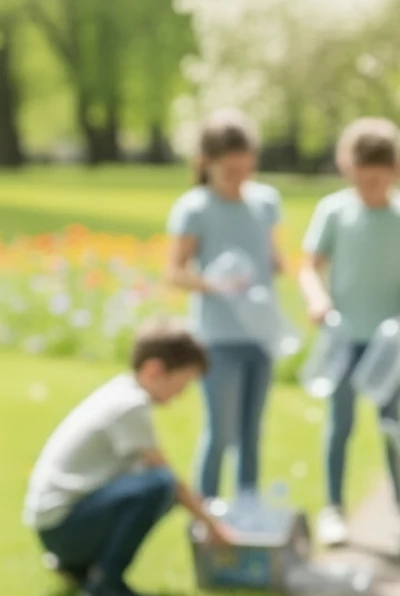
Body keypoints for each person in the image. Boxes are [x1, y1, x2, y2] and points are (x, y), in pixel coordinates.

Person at [23, 318, 235, 596]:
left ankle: (84, 570)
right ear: (154, 370)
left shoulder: (122, 392)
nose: (181, 394)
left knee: (155, 487)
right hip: (62, 528)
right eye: (182, 384)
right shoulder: (129, 405)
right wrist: (212, 526)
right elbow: (168, 478)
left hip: (57, 525)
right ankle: (105, 583)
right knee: (160, 485)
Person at [298, 117, 400, 546]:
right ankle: (334, 508)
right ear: (348, 169)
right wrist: (317, 300)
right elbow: (309, 268)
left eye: (378, 180)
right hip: (343, 338)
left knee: (392, 425)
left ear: (395, 171)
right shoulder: (334, 211)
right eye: (363, 180)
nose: (371, 189)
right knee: (339, 424)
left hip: (386, 342)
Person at [166, 108, 285, 501]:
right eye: (230, 170)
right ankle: (209, 514)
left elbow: (274, 259)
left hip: (261, 334)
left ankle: (247, 509)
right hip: (217, 338)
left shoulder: (266, 202)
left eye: (245, 168)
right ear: (207, 163)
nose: (239, 177)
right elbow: (175, 271)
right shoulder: (195, 208)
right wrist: (216, 284)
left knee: (252, 434)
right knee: (220, 434)